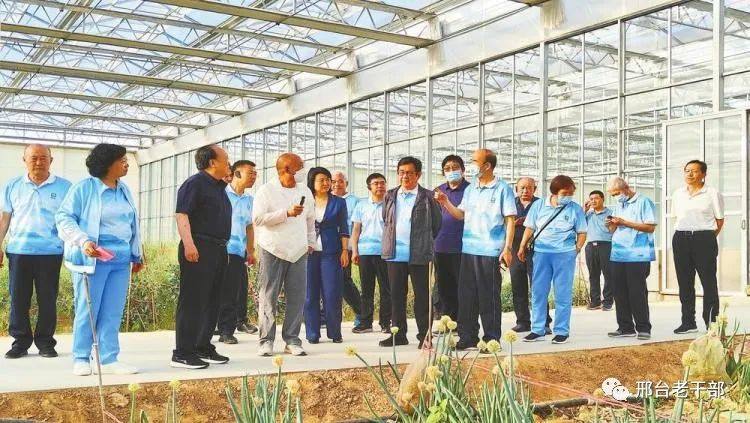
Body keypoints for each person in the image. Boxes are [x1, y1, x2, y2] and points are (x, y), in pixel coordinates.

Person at [56, 144, 144, 375]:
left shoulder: (123, 189)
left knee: (113, 311)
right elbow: (63, 217)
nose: (126, 164)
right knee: (88, 309)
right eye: (122, 160)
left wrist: (137, 253)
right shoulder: (84, 188)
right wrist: (82, 240)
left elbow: (131, 224)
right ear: (107, 164)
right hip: (93, 259)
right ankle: (81, 357)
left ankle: (108, 358)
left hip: (120, 260)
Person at [435, 149, 516, 350]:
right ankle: (467, 336)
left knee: (489, 296)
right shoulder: (471, 189)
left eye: (474, 161)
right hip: (468, 250)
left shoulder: (502, 189)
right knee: (466, 295)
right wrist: (445, 202)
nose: (471, 165)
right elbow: (460, 214)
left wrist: (507, 248)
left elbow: (510, 220)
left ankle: (491, 338)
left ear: (487, 165)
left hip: (490, 251)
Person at [1, 144, 71, 359]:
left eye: (43, 158)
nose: (39, 162)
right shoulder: (12, 186)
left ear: (51, 160)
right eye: (33, 158)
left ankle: (46, 343)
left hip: (50, 252)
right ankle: (20, 343)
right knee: (18, 299)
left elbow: (71, 220)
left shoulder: (65, 187)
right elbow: (5, 219)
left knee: (47, 299)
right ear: (24, 160)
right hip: (19, 251)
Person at [172, 145, 232, 369]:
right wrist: (189, 244)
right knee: (193, 301)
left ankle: (202, 346)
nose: (228, 163)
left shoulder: (219, 187)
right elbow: (182, 215)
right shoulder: (194, 184)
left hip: (218, 248)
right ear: (212, 162)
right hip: (199, 247)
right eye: (225, 159)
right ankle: (182, 352)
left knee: (212, 300)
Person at [253, 153, 315, 357]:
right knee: (268, 295)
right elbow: (258, 219)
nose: (304, 170)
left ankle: (292, 340)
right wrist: (286, 213)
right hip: (272, 248)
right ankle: (266, 340)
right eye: (300, 166)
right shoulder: (266, 190)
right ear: (287, 169)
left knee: (297, 296)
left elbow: (310, 220)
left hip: (298, 250)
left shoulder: (305, 190)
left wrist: (311, 242)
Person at [380, 156, 441, 349]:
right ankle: (398, 334)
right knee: (396, 296)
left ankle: (425, 336)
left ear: (418, 175)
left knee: (422, 297)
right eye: (401, 172)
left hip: (420, 254)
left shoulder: (428, 197)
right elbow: (386, 219)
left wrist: (423, 242)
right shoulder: (390, 195)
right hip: (394, 254)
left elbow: (437, 224)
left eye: (409, 173)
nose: (405, 176)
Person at [518, 175, 586, 344]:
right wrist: (522, 246)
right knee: (538, 292)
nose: (568, 196)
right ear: (554, 192)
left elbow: (582, 232)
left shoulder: (575, 209)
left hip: (565, 255)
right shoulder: (539, 205)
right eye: (565, 193)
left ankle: (562, 331)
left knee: (562, 293)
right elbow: (530, 228)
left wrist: (576, 249)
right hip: (541, 253)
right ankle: (537, 329)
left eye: (571, 193)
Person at [671, 160, 724, 333]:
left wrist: (707, 238)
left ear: (703, 174)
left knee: (708, 282)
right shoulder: (678, 194)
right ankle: (688, 322)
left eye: (694, 171)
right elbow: (676, 217)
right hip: (681, 238)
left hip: (704, 239)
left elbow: (719, 220)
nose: (690, 174)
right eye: (687, 171)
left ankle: (711, 323)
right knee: (684, 282)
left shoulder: (712, 193)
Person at [605, 176, 656, 341]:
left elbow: (650, 227)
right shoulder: (619, 205)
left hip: (637, 254)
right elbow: (613, 230)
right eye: (612, 195)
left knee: (637, 291)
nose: (615, 197)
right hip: (618, 253)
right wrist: (611, 224)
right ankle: (625, 327)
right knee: (619, 292)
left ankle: (643, 328)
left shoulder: (644, 202)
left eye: (616, 193)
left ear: (626, 188)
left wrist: (625, 222)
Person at [304, 167, 349, 344]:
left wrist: (344, 250)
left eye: (328, 180)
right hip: (308, 253)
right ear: (312, 182)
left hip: (331, 253)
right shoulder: (305, 201)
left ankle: (335, 333)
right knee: (310, 295)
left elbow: (344, 228)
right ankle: (312, 333)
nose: (326, 183)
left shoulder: (339, 202)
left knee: (332, 294)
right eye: (321, 180)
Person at [217, 160, 258, 345]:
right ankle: (224, 330)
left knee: (236, 290)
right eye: (250, 173)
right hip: (222, 248)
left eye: (255, 173)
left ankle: (229, 327)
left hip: (238, 251)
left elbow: (249, 226)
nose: (254, 177)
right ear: (237, 173)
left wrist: (250, 250)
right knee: (225, 291)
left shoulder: (249, 200)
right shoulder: (222, 194)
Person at [508, 177, 551, 334]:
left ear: (535, 189)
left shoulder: (542, 204)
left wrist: (529, 222)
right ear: (516, 189)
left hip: (537, 250)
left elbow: (549, 224)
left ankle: (544, 322)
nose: (525, 191)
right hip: (515, 249)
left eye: (529, 188)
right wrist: (513, 224)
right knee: (518, 286)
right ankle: (522, 322)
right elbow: (502, 224)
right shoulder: (510, 204)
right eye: (522, 188)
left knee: (538, 287)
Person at [351, 173, 391, 334]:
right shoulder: (361, 205)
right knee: (366, 289)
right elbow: (356, 230)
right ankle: (366, 322)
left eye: (382, 183)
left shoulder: (391, 204)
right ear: (369, 187)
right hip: (365, 252)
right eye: (376, 183)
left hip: (385, 252)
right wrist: (354, 251)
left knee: (386, 289)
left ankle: (385, 322)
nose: (380, 186)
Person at [432, 155, 469, 323]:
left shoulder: (470, 190)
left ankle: (463, 321)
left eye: (455, 167)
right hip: (440, 245)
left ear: (463, 170)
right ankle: (447, 320)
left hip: (462, 246)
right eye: (447, 169)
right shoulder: (438, 191)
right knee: (443, 286)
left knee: (462, 285)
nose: (451, 171)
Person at [330, 171, 364, 331]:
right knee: (328, 282)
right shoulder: (326, 199)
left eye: (340, 181)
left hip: (346, 247)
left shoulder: (355, 201)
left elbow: (358, 226)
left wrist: (354, 248)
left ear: (346, 184)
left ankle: (361, 312)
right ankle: (327, 317)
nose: (337, 184)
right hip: (327, 247)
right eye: (334, 181)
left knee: (344, 281)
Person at [584, 190, 614, 311]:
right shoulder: (587, 215)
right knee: (593, 275)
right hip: (590, 246)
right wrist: (584, 210)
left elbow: (614, 230)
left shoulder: (611, 213)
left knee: (608, 274)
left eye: (596, 198)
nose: (593, 201)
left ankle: (608, 302)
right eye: (591, 199)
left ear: (602, 199)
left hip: (606, 245)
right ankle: (595, 301)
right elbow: (577, 225)